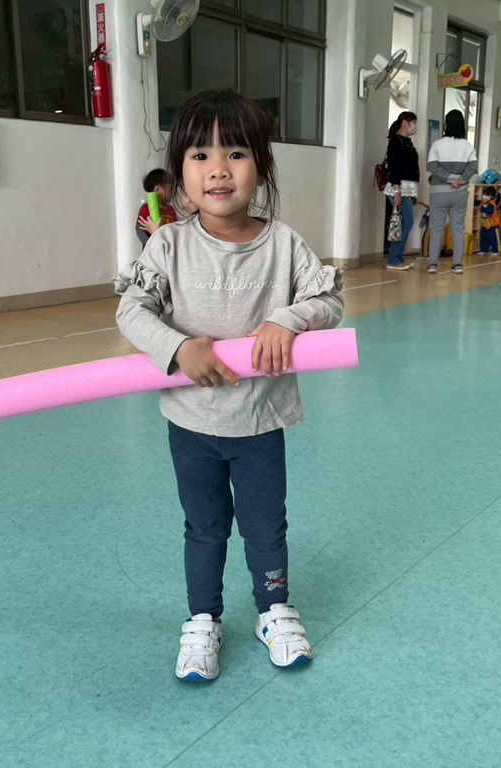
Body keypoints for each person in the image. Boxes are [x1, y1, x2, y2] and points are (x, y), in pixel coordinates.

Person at [113, 90, 344, 682]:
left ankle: (273, 609)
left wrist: (289, 318)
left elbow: (329, 300)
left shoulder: (284, 244)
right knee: (205, 527)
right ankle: (203, 619)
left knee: (266, 526)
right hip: (191, 425)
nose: (218, 169)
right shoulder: (167, 245)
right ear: (179, 176)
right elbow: (132, 310)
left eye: (236, 153)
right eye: (200, 156)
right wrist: (176, 346)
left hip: (260, 422)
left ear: (260, 167)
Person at [425, 109, 477, 275]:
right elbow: (473, 167)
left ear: (446, 125)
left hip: (438, 193)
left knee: (436, 229)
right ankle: (457, 265)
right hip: (459, 193)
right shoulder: (468, 146)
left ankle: (433, 264)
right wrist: (460, 179)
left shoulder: (437, 145)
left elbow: (432, 166)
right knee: (458, 229)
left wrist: (449, 178)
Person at [383, 111, 425, 271]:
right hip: (398, 188)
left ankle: (397, 257)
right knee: (405, 223)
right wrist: (397, 191)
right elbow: (394, 167)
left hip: (407, 188)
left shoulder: (407, 142)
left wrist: (413, 193)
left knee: (404, 222)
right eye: (413, 122)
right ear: (405, 123)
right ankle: (393, 259)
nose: (415, 126)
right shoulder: (396, 141)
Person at [136, 169, 179, 247]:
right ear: (158, 190)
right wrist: (150, 243)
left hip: (167, 248)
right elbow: (139, 229)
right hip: (152, 250)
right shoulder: (146, 208)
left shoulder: (171, 210)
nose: (173, 193)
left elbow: (176, 229)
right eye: (170, 189)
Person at [478, 186, 500, 254]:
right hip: (484, 224)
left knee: (492, 238)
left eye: (487, 195)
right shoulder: (482, 203)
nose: (485, 197)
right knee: (483, 238)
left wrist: (482, 208)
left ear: (492, 197)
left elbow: (488, 210)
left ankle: (495, 250)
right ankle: (483, 249)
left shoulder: (491, 203)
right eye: (484, 194)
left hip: (492, 225)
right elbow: (479, 205)